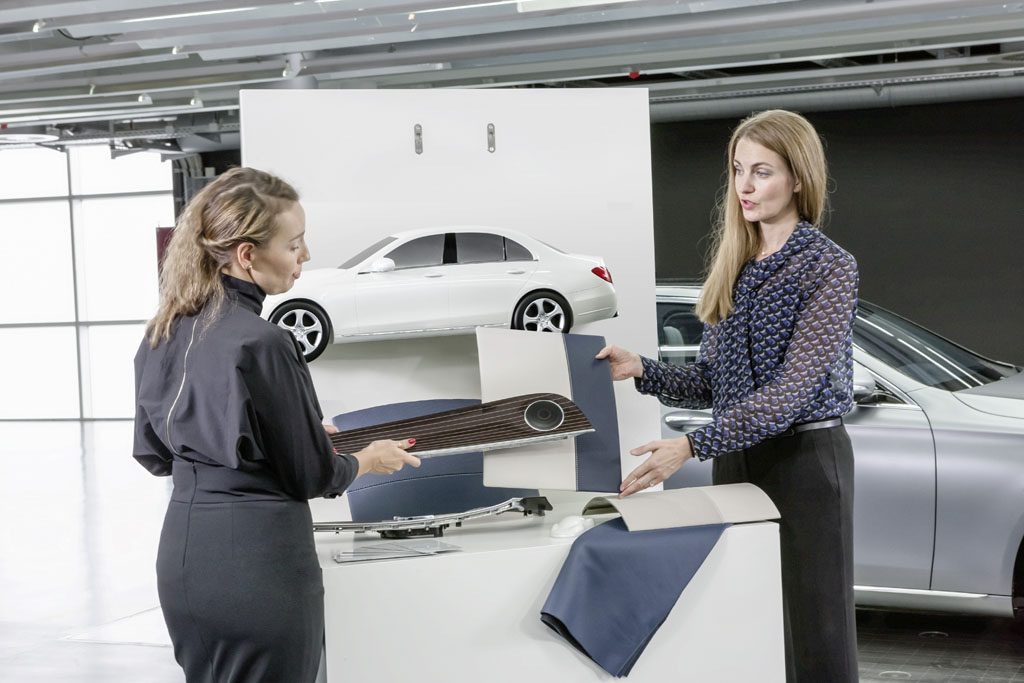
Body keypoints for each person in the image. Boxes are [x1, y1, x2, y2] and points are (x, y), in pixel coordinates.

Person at [597, 109, 859, 682]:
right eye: (738, 170)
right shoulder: (734, 267)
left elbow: (790, 394)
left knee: (816, 630)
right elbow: (714, 383)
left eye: (762, 172)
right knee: (749, 618)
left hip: (805, 463)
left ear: (798, 178)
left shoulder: (829, 267)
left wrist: (691, 447)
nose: (745, 185)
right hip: (738, 460)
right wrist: (642, 367)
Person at [132, 167, 420, 682]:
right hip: (259, 563)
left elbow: (156, 453)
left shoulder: (163, 332)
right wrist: (366, 459)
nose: (305, 255)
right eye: (294, 244)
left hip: (184, 561)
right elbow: (312, 475)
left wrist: (279, 433)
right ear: (247, 254)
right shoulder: (263, 341)